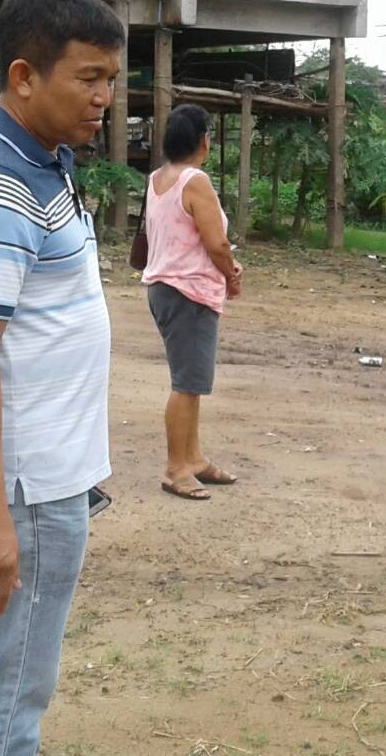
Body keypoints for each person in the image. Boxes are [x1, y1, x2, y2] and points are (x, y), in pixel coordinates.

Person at [0, 0, 124, 756]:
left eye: (111, 79)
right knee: (9, 696)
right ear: (23, 77)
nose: (105, 96)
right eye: (88, 78)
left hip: (40, 480)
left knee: (17, 685)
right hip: (19, 489)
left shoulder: (40, 161)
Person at [140, 104, 243, 501]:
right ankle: (176, 468)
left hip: (165, 287)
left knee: (192, 381)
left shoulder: (157, 178)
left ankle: (194, 457)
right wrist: (231, 274)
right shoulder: (195, 180)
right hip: (189, 291)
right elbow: (215, 242)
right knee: (186, 384)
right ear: (204, 141)